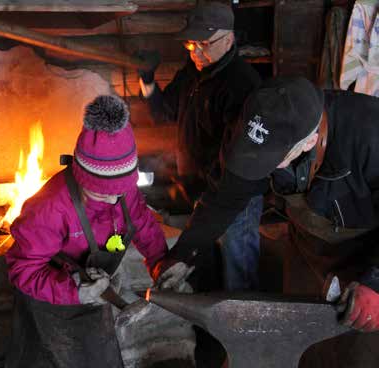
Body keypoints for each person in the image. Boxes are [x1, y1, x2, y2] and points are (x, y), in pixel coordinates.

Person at [153, 77, 379, 367]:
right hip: (308, 251)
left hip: (367, 254)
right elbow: (224, 198)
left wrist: (374, 281)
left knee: (357, 352)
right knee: (299, 339)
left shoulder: (368, 131)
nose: (261, 166)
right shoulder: (252, 128)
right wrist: (183, 253)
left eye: (274, 159)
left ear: (309, 141)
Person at [4, 95, 169, 368]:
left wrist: (161, 263)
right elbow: (23, 269)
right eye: (102, 193)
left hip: (93, 300)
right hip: (50, 305)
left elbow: (140, 221)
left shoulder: (122, 191)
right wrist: (75, 292)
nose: (115, 200)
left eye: (121, 191)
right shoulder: (50, 208)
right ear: (82, 176)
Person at [138, 1, 263, 292]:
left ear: (229, 39)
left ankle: (244, 332)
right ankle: (213, 329)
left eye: (204, 43)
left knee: (238, 272)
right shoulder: (192, 72)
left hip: (232, 198)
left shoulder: (242, 85)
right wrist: (146, 78)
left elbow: (238, 161)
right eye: (191, 43)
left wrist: (208, 194)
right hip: (200, 192)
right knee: (209, 269)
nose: (195, 51)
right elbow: (164, 112)